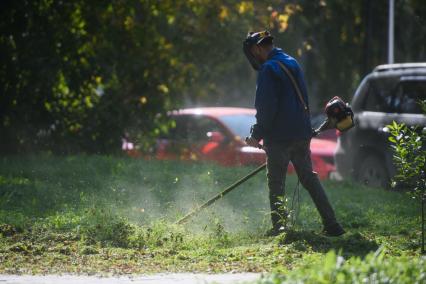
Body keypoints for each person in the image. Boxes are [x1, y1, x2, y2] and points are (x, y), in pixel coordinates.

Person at [243, 31, 345, 237]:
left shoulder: (268, 69)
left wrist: (256, 134)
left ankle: (280, 228)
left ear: (256, 49)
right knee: (309, 178)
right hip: (301, 134)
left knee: (276, 183)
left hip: (279, 137)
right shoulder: (292, 62)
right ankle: (332, 224)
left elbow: (266, 107)